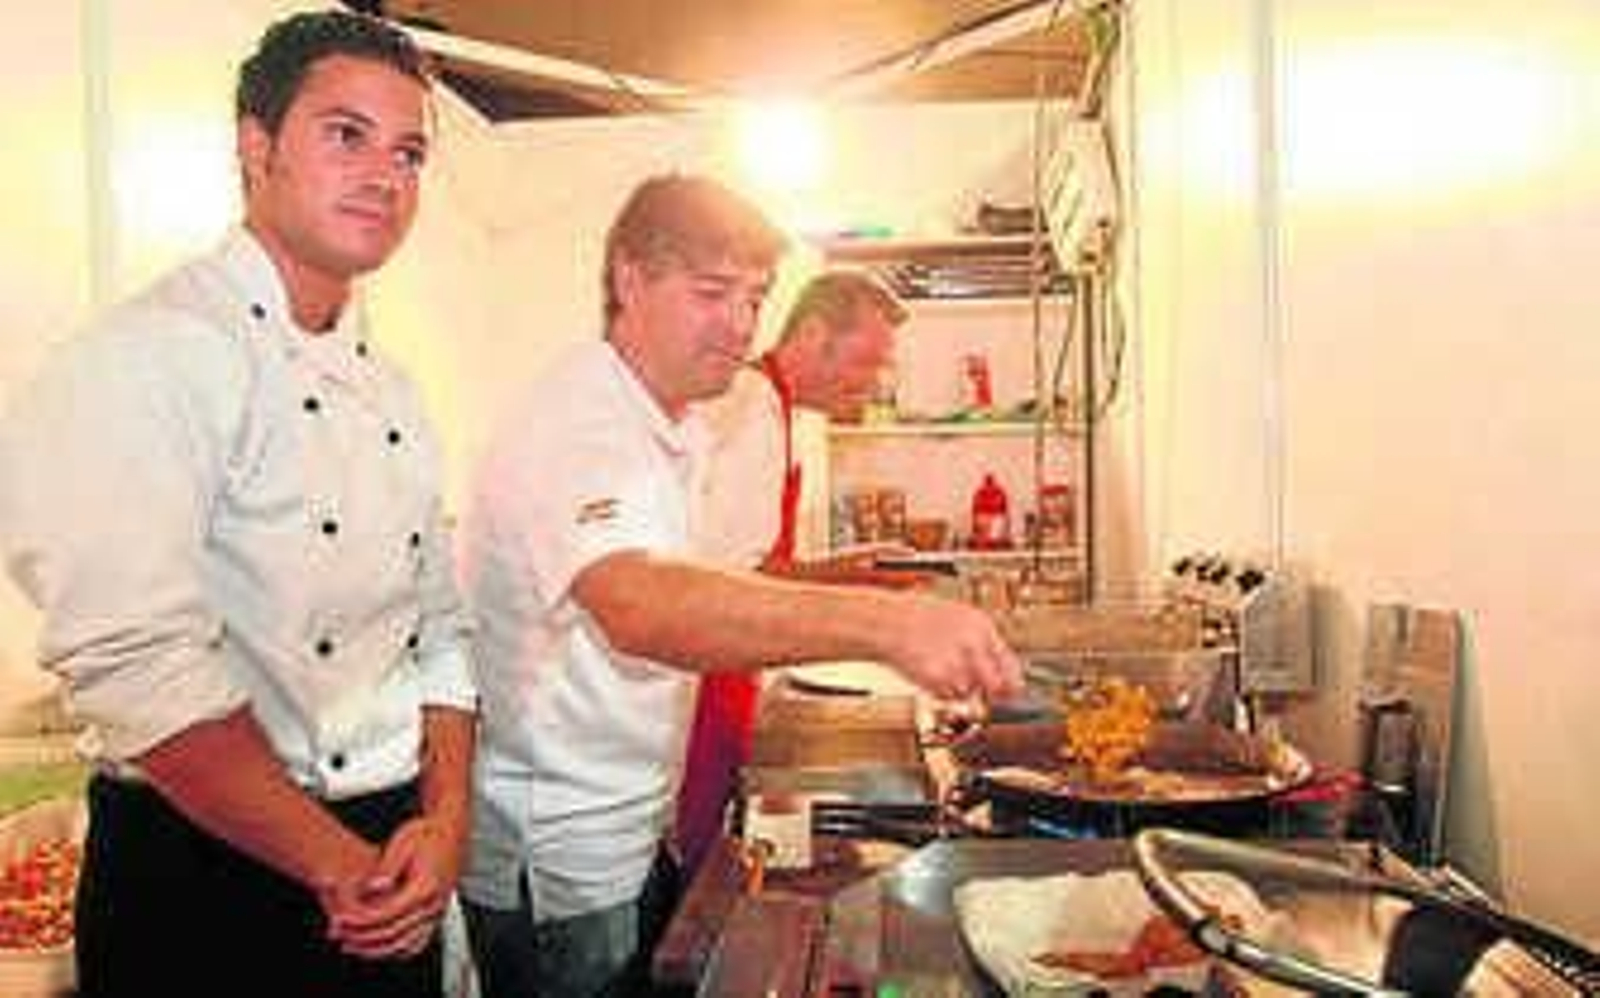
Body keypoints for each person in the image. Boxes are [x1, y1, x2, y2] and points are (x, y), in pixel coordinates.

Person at [0, 11, 476, 998]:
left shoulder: (393, 390)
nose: (386, 174)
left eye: (410, 151)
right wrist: (339, 865)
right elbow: (139, 665)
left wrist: (446, 821)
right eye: (346, 135)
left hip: (391, 850)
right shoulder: (141, 359)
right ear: (255, 147)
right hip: (206, 875)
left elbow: (441, 630)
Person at [457, 174, 1022, 998]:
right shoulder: (579, 419)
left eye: (755, 298)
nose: (741, 324)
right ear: (628, 279)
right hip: (560, 856)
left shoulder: (666, 422)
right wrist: (886, 625)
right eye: (712, 292)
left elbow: (705, 580)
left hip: (628, 820)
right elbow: (638, 603)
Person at [675, 269, 914, 871]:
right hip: (704, 685)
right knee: (702, 871)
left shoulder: (774, 408)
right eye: (865, 362)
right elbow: (738, 583)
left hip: (728, 675)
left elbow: (761, 563)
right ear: (812, 333)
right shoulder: (753, 405)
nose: (873, 383)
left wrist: (852, 570)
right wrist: (872, 609)